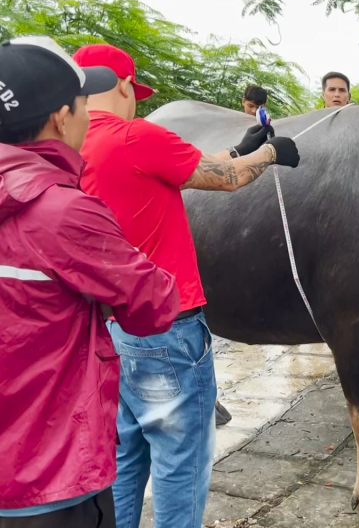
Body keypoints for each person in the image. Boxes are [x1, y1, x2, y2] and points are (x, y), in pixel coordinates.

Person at [73, 42, 301, 528]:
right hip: (167, 334)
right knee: (181, 464)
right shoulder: (135, 135)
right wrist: (269, 152)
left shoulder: (69, 146)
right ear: (123, 85)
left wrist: (240, 147)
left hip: (109, 329)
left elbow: (194, 165)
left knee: (125, 459)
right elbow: (226, 180)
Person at [0, 36, 180, 528]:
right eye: (82, 104)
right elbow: (154, 305)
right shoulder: (61, 211)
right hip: (48, 477)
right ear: (61, 117)